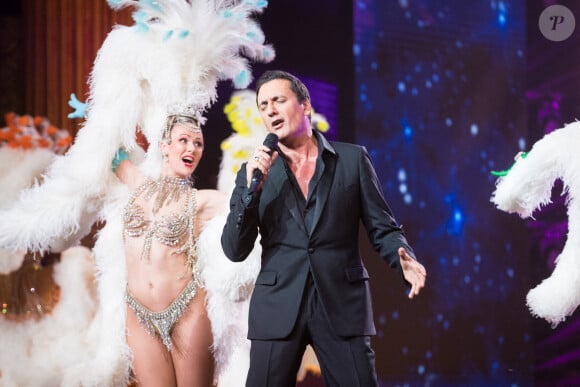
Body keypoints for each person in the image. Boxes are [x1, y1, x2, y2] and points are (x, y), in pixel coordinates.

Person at [221, 70, 427, 386]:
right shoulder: (253, 173)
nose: (270, 110)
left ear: (305, 106)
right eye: (263, 105)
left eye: (279, 100)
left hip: (341, 303)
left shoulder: (352, 159)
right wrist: (251, 193)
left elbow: (382, 227)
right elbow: (234, 250)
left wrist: (403, 258)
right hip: (278, 306)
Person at [113, 111, 229, 386]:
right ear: (164, 146)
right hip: (138, 312)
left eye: (198, 143)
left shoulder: (203, 201)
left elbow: (246, 202)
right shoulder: (137, 185)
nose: (192, 148)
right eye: (184, 141)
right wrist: (97, 116)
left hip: (187, 310)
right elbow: (111, 153)